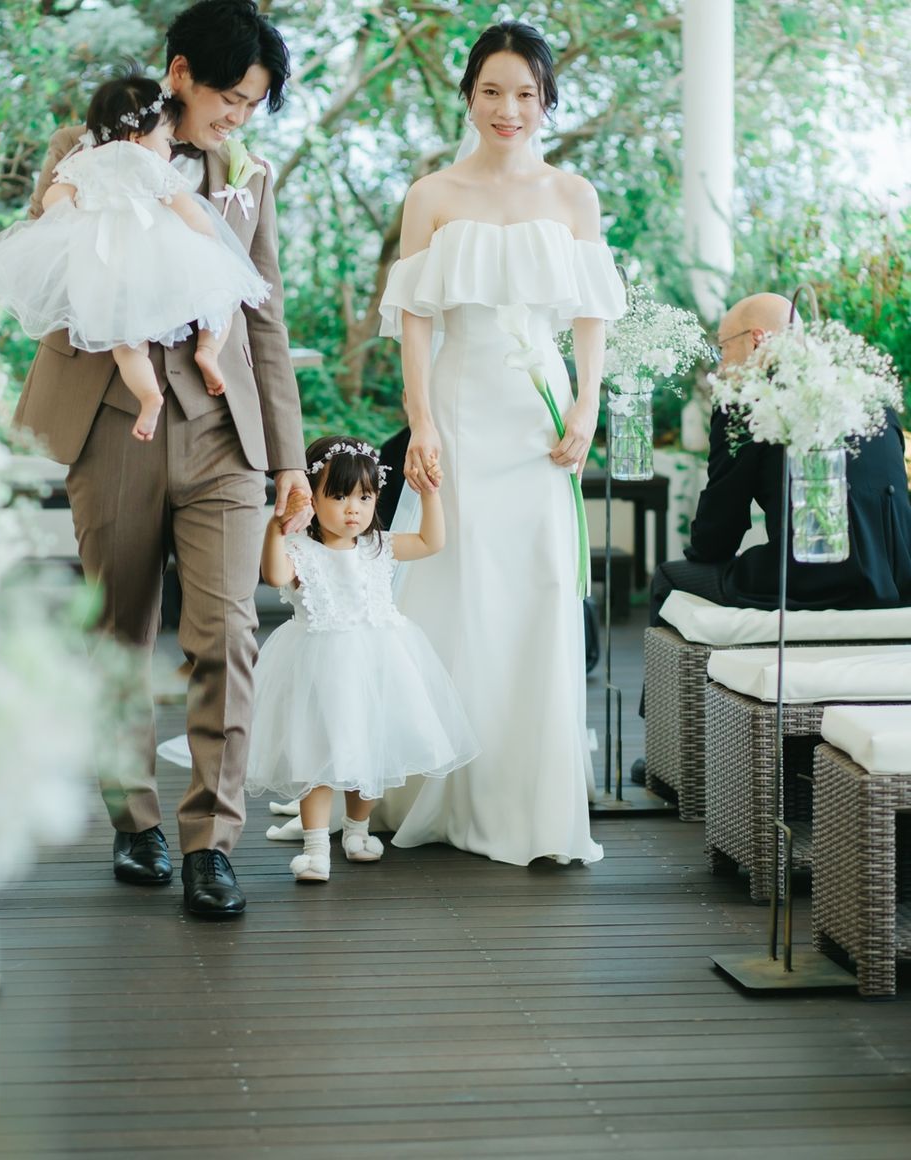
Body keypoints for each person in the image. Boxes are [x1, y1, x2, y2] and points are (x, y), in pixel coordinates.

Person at [14, 0, 312, 918]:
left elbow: (264, 315)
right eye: (231, 97)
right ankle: (134, 820)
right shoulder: (85, 143)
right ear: (180, 72)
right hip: (114, 418)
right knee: (120, 633)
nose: (239, 117)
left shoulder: (248, 175)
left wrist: (289, 459)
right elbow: (47, 267)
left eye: (254, 104)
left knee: (227, 632)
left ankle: (210, 844)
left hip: (225, 430)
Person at [372, 21, 625, 866]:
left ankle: (531, 802)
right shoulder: (432, 195)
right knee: (457, 582)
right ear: (469, 97)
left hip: (540, 418)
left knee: (541, 585)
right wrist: (422, 420)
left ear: (546, 101)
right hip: (460, 406)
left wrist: (586, 405)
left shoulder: (573, 196)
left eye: (524, 93)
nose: (507, 108)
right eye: (491, 91)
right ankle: (438, 785)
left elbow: (590, 313)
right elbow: (415, 319)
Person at [0, 73, 271, 441]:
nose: (169, 149)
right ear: (137, 136)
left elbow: (54, 198)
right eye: (166, 140)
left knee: (127, 346)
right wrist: (211, 241)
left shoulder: (84, 161)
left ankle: (148, 397)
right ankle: (207, 351)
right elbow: (187, 209)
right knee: (219, 298)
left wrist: (73, 216)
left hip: (106, 274)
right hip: (159, 267)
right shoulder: (151, 164)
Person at [246, 437, 477, 882]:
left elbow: (431, 541)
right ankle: (316, 847)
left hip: (378, 666)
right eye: (338, 497)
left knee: (370, 752)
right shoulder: (301, 550)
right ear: (312, 499)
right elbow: (273, 575)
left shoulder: (378, 546)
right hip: (319, 670)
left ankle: (357, 829)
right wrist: (278, 525)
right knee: (316, 758)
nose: (353, 508)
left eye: (365, 497)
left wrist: (430, 494)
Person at [648, 291, 911, 624]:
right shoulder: (868, 395)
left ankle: (698, 662)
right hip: (898, 582)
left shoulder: (746, 401)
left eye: (723, 348)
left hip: (812, 583)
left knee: (668, 578)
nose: (721, 366)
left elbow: (718, 532)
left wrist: (706, 554)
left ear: (757, 339)